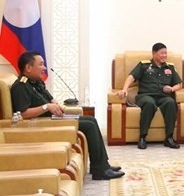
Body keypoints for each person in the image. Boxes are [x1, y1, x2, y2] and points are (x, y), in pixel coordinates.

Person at [10, 51, 124, 180]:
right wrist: (46, 107)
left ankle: (103, 165)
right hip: (44, 123)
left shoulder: (36, 82)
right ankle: (100, 170)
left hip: (54, 119)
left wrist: (54, 104)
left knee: (91, 120)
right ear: (28, 68)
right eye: (41, 64)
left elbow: (50, 99)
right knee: (89, 126)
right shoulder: (20, 87)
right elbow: (23, 114)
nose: (44, 68)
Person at [117, 42, 182, 150]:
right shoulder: (144, 65)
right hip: (146, 95)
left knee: (170, 103)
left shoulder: (170, 67)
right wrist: (124, 89)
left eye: (166, 53)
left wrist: (172, 89)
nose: (164, 55)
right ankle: (142, 137)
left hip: (163, 96)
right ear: (154, 53)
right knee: (149, 103)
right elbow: (131, 77)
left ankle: (169, 138)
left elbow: (179, 84)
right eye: (162, 53)